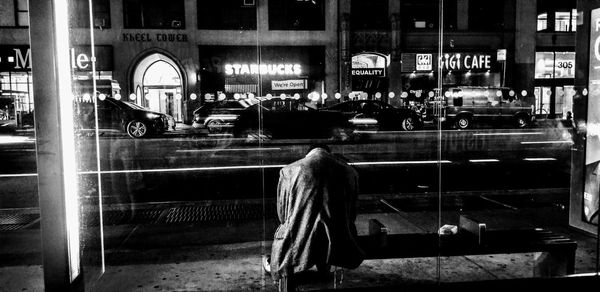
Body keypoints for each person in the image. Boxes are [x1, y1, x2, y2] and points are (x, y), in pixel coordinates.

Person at [265, 143, 364, 290]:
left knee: (284, 241)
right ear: (329, 154)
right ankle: (324, 265)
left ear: (308, 154)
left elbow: (282, 214)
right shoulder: (349, 172)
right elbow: (352, 214)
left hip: (300, 242)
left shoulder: (289, 171)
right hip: (338, 241)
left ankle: (292, 275)